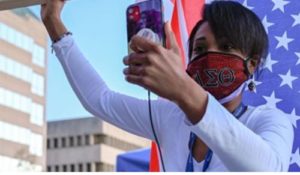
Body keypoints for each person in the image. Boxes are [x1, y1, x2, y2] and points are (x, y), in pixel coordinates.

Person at [41, 0, 294, 172]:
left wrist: (183, 89)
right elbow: (99, 99)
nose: (209, 56)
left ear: (252, 64)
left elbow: (267, 169)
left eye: (226, 47)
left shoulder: (271, 122)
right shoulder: (169, 117)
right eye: (200, 49)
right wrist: (53, 22)